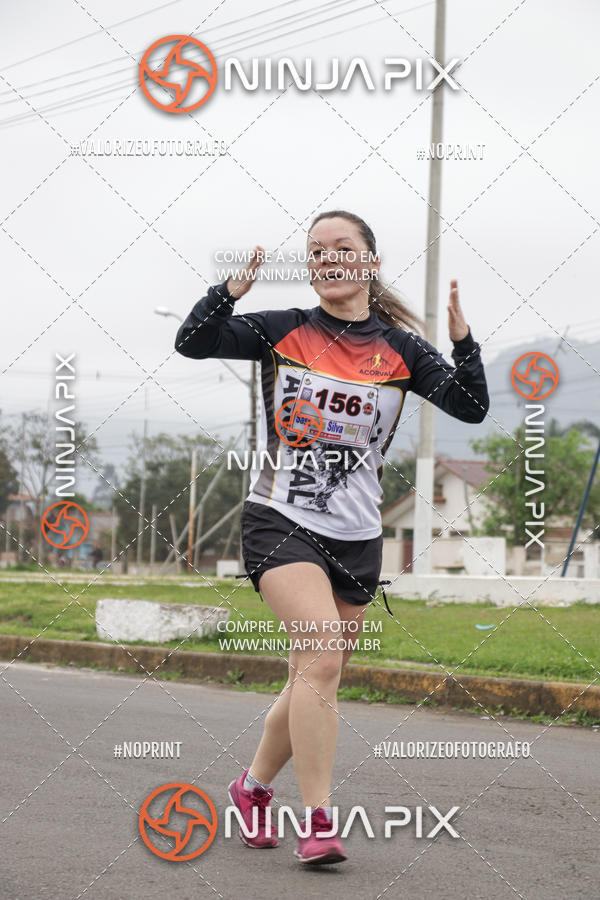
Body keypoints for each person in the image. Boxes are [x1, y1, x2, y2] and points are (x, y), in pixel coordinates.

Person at [175, 210, 489, 865]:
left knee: (312, 677)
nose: (327, 258)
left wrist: (464, 343)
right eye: (316, 251)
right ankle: (318, 820)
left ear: (370, 264)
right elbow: (193, 342)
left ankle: (251, 788)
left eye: (342, 248)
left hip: (358, 536)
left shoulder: (403, 352)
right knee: (320, 659)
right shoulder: (281, 331)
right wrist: (227, 294)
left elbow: (471, 405)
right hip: (279, 519)